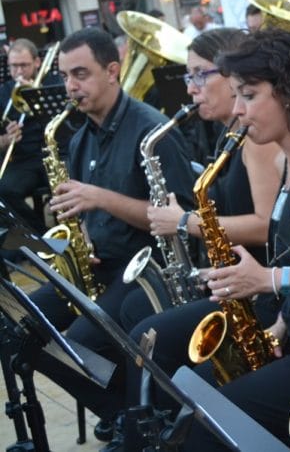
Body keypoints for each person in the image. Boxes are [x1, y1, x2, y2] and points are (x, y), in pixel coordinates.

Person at [96, 27, 283, 451]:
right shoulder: (230, 134)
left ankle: (159, 436)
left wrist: (186, 222)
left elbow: (265, 224)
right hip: (234, 279)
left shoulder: (255, 140)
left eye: (201, 75)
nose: (192, 88)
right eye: (188, 77)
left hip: (256, 285)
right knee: (143, 325)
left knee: (150, 334)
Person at [180, 27, 290, 450]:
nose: (238, 109)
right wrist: (278, 325)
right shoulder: (289, 155)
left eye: (250, 94)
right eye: (236, 95)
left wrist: (269, 281)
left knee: (208, 428)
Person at [24, 27, 196, 436]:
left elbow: (182, 219)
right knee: (23, 325)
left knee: (77, 343)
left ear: (113, 71)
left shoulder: (152, 132)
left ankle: (137, 422)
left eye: (80, 74)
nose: (70, 86)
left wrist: (98, 197)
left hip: (148, 269)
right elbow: (87, 210)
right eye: (65, 76)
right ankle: (124, 413)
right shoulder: (81, 137)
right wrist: (80, 233)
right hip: (102, 264)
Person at [0, 39, 61, 237]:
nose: (18, 71)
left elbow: (69, 124)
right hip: (24, 160)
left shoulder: (53, 84)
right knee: (4, 189)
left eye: (24, 65)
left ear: (37, 62)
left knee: (67, 188)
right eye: (13, 66)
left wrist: (36, 99)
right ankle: (40, 238)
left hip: (56, 153)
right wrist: (7, 139)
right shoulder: (3, 92)